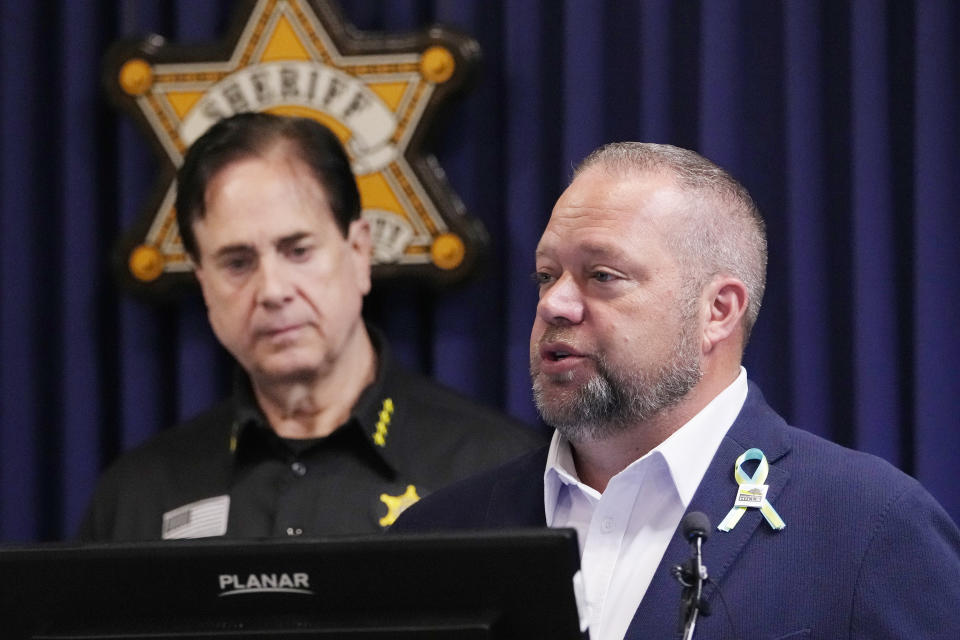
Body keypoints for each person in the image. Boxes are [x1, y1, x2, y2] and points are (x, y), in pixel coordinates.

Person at [392, 142, 960, 639]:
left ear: (717, 311)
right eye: (547, 274)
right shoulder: (438, 535)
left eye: (602, 276)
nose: (553, 304)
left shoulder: (869, 526)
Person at [80, 112, 544, 541]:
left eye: (298, 250)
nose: (272, 290)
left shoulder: (498, 471)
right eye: (237, 262)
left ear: (360, 252)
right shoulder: (137, 496)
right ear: (203, 283)